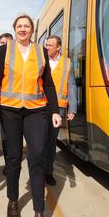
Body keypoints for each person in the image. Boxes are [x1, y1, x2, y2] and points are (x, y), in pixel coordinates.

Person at [0, 14, 62, 217]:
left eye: (26, 26)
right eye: (19, 26)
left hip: (36, 110)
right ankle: (13, 199)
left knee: (37, 155)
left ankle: (39, 215)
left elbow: (47, 83)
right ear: (14, 29)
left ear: (32, 30)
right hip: (9, 110)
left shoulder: (40, 51)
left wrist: (55, 110)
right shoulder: (5, 50)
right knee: (13, 157)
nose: (22, 29)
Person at [43, 35, 77, 186]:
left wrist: (73, 108)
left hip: (60, 108)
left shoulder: (67, 63)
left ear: (58, 47)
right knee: (38, 140)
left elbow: (71, 86)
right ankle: (36, 171)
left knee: (51, 142)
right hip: (39, 106)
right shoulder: (40, 60)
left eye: (50, 45)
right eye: (46, 45)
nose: (47, 47)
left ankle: (48, 172)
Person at [0, 32, 13, 176]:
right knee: (5, 138)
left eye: (4, 43)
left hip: (26, 107)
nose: (2, 46)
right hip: (5, 105)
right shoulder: (0, 58)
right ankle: (9, 164)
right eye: (0, 43)